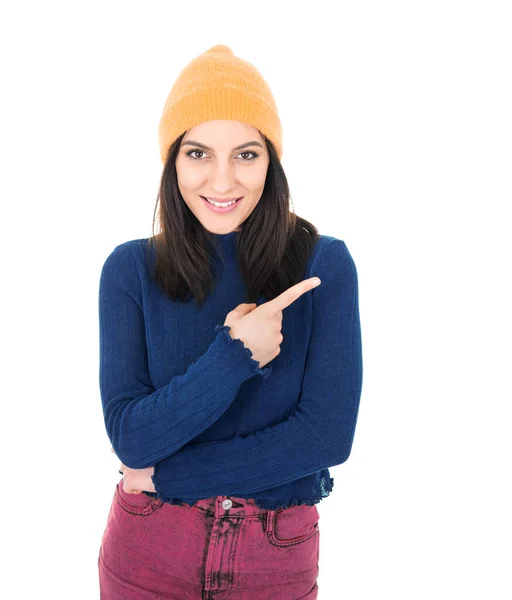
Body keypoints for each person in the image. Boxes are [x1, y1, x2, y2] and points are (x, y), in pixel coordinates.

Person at [97, 44, 363, 600]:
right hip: (148, 551)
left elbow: (326, 437)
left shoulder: (321, 264)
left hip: (275, 554)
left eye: (246, 154)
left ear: (272, 160)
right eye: (198, 153)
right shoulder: (130, 270)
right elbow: (131, 438)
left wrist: (170, 477)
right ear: (172, 161)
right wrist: (232, 356)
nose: (222, 182)